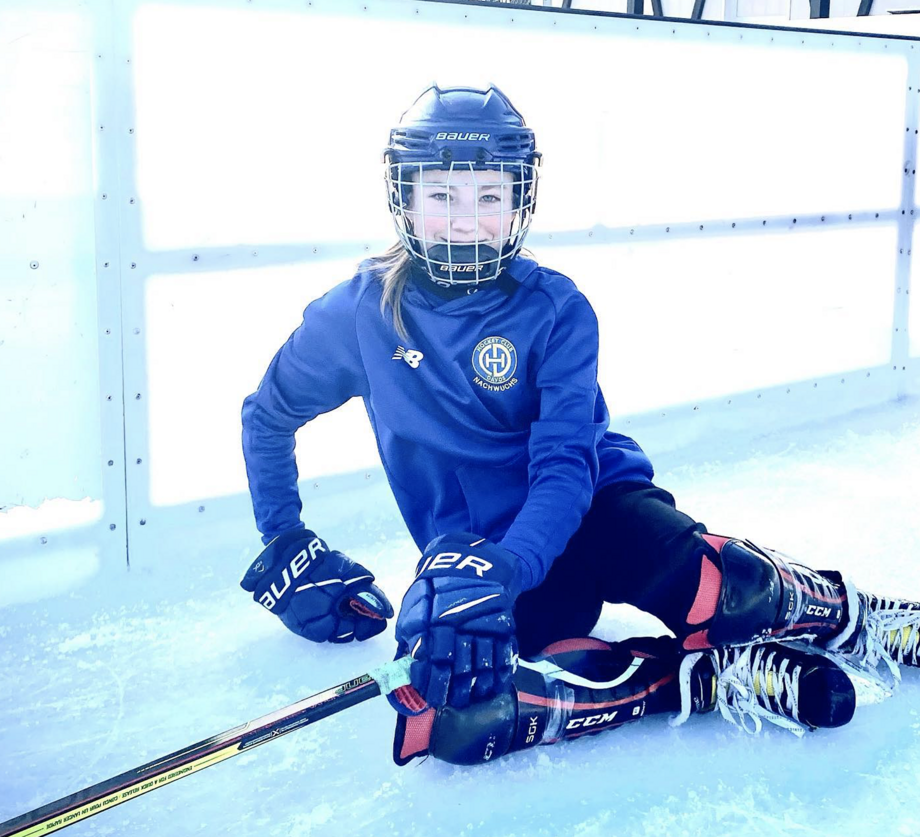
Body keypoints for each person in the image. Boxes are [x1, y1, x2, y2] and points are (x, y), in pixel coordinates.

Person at [239, 84, 920, 767]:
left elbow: (565, 467)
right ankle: (695, 679)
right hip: (479, 559)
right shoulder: (358, 315)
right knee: (454, 709)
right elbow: (267, 415)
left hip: (594, 514)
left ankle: (853, 615)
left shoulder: (556, 308)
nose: (465, 220)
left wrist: (511, 565)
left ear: (518, 202)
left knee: (723, 587)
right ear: (405, 198)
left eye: (488, 197)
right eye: (441, 195)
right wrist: (286, 537)